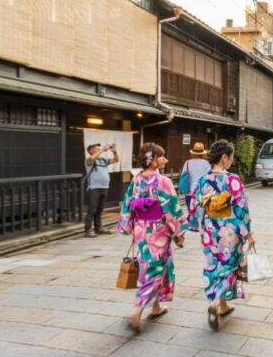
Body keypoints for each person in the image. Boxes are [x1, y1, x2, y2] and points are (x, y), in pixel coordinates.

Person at [117, 143, 188, 332]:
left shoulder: (136, 180)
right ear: (154, 160)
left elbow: (128, 204)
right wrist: (179, 231)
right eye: (162, 157)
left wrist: (129, 226)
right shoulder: (162, 181)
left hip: (141, 229)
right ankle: (137, 309)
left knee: (150, 264)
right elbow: (172, 208)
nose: (165, 160)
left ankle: (155, 307)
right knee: (156, 267)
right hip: (158, 230)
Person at [195, 139, 255, 331]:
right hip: (229, 231)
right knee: (229, 267)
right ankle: (214, 303)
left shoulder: (203, 180)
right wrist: (248, 233)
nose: (232, 161)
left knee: (213, 266)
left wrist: (201, 228)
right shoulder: (232, 180)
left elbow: (198, 207)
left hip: (210, 230)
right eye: (231, 157)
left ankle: (222, 305)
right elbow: (241, 209)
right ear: (224, 157)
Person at [84, 143, 119, 238]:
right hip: (94, 188)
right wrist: (103, 149)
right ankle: (88, 229)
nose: (98, 149)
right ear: (91, 151)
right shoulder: (89, 160)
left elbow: (116, 160)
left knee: (99, 209)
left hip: (104, 187)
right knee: (92, 209)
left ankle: (98, 228)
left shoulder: (103, 160)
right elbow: (92, 158)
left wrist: (114, 151)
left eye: (98, 147)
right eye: (96, 148)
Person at [180, 142, 211, 231]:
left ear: (192, 153)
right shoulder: (207, 163)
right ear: (203, 153)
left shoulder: (187, 163)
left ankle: (193, 225)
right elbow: (209, 177)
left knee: (191, 210)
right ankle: (202, 226)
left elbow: (183, 175)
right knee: (203, 211)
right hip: (202, 190)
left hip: (190, 190)